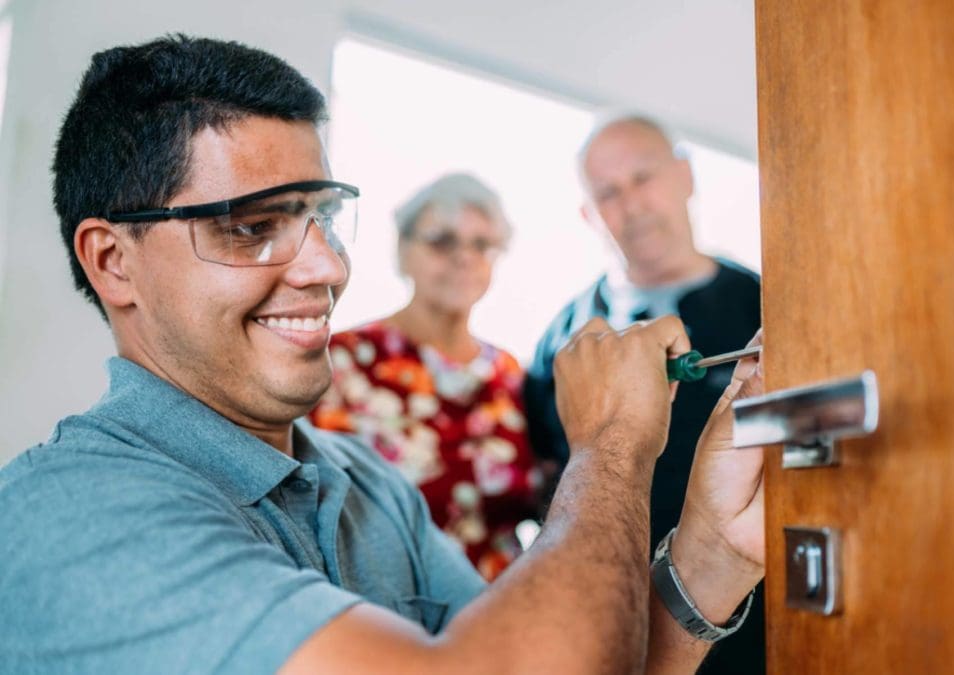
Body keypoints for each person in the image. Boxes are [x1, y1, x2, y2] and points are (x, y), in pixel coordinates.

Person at [0, 36, 766, 674]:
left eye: (321, 217)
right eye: (250, 227)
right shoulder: (69, 517)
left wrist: (710, 548)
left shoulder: (367, 485)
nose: (327, 266)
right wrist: (612, 446)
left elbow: (567, 658)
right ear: (112, 261)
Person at [525, 113, 765, 674]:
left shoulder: (765, 306)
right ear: (589, 214)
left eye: (644, 177)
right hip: (611, 630)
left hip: (752, 618)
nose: (631, 204)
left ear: (685, 176)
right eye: (608, 192)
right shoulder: (564, 339)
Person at [310, 173, 540, 581]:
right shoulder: (341, 360)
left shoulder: (510, 374)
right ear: (403, 250)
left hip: (502, 616)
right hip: (385, 613)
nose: (464, 257)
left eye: (481, 244)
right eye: (442, 241)